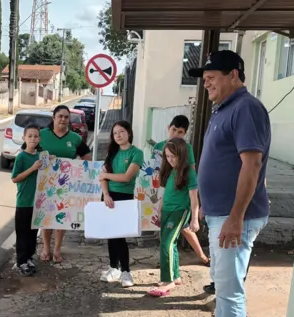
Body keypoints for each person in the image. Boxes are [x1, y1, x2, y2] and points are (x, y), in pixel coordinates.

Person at [183, 50, 271, 317]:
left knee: (231, 289)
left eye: (212, 77)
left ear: (234, 75)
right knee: (222, 285)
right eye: (204, 78)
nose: (206, 83)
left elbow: (252, 166)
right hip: (221, 214)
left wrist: (235, 217)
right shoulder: (224, 109)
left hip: (237, 218)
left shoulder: (247, 108)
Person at [153, 115, 210, 267]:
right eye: (173, 130)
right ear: (168, 128)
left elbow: (190, 172)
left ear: (184, 134)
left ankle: (200, 257)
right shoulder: (158, 146)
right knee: (173, 230)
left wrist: (193, 205)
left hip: (180, 195)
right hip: (163, 191)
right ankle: (171, 261)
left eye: (180, 132)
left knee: (178, 230)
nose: (175, 134)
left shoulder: (186, 148)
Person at [38, 105, 92, 263]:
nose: (63, 119)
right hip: (45, 185)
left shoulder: (75, 138)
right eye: (60, 116)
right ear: (53, 118)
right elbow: (28, 152)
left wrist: (80, 171)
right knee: (46, 217)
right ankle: (46, 248)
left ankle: (57, 250)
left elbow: (87, 158)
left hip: (66, 186)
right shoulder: (41, 135)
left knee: (61, 217)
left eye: (66, 117)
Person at [147, 138, 200, 297]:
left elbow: (194, 198)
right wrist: (160, 207)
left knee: (166, 244)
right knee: (171, 243)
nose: (170, 160)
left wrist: (194, 218)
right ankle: (175, 276)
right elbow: (166, 193)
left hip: (179, 211)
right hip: (167, 211)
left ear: (182, 155)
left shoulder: (189, 173)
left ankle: (167, 280)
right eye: (168, 156)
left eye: (173, 156)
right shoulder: (171, 171)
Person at [98, 120, 144, 288]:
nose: (118, 135)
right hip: (109, 197)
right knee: (111, 235)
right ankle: (113, 268)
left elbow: (126, 177)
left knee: (119, 236)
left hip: (124, 197)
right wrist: (106, 194)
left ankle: (126, 271)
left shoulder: (136, 153)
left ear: (129, 133)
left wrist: (106, 176)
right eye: (115, 133)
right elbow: (101, 179)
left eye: (121, 132)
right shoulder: (112, 152)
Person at [11, 124, 43, 276]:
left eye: (36, 136)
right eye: (30, 136)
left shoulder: (41, 157)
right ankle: (21, 261)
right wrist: (32, 169)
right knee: (22, 233)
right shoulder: (21, 157)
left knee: (33, 233)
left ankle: (30, 257)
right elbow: (15, 178)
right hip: (24, 202)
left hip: (37, 203)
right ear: (24, 138)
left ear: (39, 138)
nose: (33, 139)